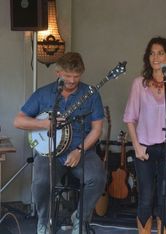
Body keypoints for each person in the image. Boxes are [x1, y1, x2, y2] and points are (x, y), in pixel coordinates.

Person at [13, 52, 106, 234]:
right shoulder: (43, 94)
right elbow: (18, 121)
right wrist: (43, 124)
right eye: (68, 76)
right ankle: (44, 221)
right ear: (58, 73)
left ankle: (80, 217)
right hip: (50, 153)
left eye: (76, 76)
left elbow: (97, 129)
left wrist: (79, 150)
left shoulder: (91, 94)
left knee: (98, 178)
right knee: (40, 182)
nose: (72, 80)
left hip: (82, 151)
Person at [123, 36, 166, 234]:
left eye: (160, 53)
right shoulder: (139, 84)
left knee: (165, 197)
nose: (155, 57)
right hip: (144, 147)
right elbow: (130, 118)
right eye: (152, 53)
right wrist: (136, 146)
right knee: (145, 196)